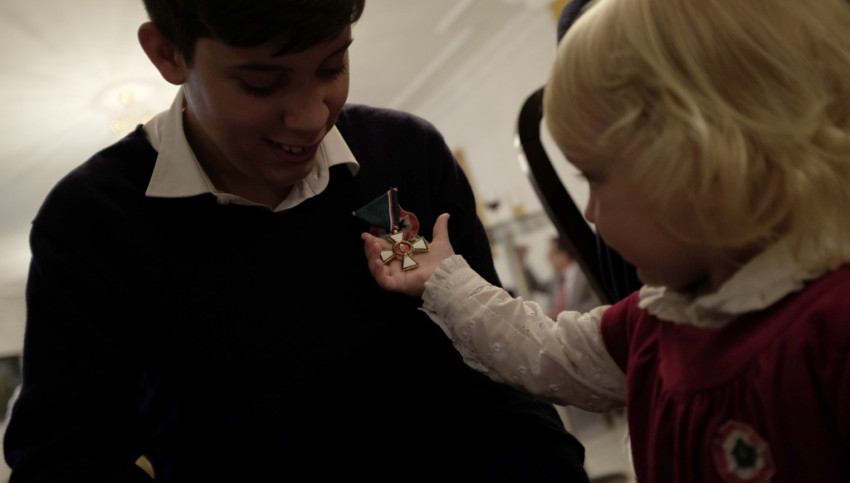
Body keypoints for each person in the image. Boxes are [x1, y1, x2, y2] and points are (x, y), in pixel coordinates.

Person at [2, 1, 593, 481]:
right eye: (262, 83)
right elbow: (65, 456)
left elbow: (491, 375)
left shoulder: (404, 156)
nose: (312, 118)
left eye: (332, 67)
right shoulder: (90, 224)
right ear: (168, 53)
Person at [362, 0, 850, 480]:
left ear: (703, 166)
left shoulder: (831, 328)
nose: (590, 212)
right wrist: (441, 278)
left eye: (594, 179)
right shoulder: (657, 317)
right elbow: (546, 352)